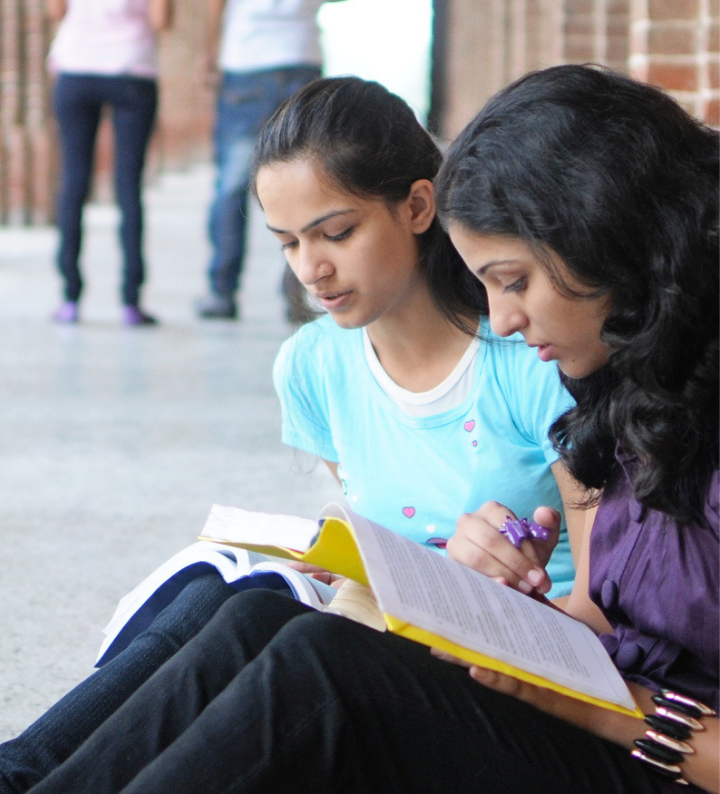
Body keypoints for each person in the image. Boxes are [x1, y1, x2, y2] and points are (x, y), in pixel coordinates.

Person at [14, 65, 717, 794]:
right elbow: (612, 619)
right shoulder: (637, 396)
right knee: (253, 616)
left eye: (515, 281)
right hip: (594, 706)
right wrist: (510, 612)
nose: (504, 318)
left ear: (610, 238)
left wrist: (607, 707)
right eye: (288, 244)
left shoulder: (547, 375)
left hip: (651, 754)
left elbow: (622, 665)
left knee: (320, 674)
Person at [195, 0, 351, 321]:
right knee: (305, 181)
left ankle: (221, 289)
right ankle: (300, 294)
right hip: (302, 52)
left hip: (248, 52)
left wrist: (208, 49)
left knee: (232, 180)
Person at [41, 0, 180, 326]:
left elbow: (55, 8)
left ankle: (70, 297)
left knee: (73, 182)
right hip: (132, 71)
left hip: (76, 68)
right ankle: (129, 300)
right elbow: (162, 17)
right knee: (128, 188)